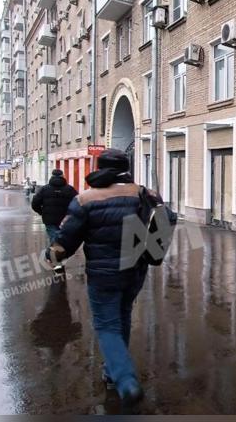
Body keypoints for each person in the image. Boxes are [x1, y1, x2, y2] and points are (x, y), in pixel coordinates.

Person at [48, 149, 157, 406]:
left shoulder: (86, 199)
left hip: (103, 274)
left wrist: (52, 254)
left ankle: (126, 380)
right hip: (136, 270)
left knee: (107, 325)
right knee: (123, 315)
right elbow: (158, 227)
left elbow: (66, 241)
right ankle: (111, 371)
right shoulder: (145, 194)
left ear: (100, 167)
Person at [31, 169, 77, 274]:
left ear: (52, 176)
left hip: (49, 220)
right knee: (60, 241)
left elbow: (34, 203)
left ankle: (54, 262)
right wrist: (71, 215)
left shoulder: (44, 189)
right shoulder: (70, 189)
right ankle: (58, 264)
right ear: (63, 176)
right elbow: (77, 204)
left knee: (55, 240)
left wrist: (42, 212)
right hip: (65, 221)